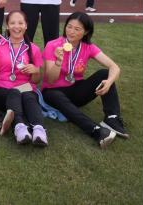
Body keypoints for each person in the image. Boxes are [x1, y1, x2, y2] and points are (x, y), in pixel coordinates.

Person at [42, 12, 129, 148]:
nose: (71, 31)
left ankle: (111, 118)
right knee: (55, 95)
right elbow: (50, 80)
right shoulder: (53, 45)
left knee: (105, 74)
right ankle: (96, 130)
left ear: (86, 32)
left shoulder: (88, 47)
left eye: (77, 29)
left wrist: (109, 81)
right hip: (52, 91)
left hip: (76, 91)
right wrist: (58, 62)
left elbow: (114, 67)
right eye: (69, 26)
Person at [0, 11, 47, 146]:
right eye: (12, 23)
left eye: (20, 23)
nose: (16, 26)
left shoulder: (33, 49)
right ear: (7, 26)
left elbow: (36, 80)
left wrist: (35, 71)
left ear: (26, 26)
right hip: (1, 92)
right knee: (14, 93)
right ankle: (19, 127)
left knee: (30, 97)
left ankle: (39, 129)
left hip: (25, 90)